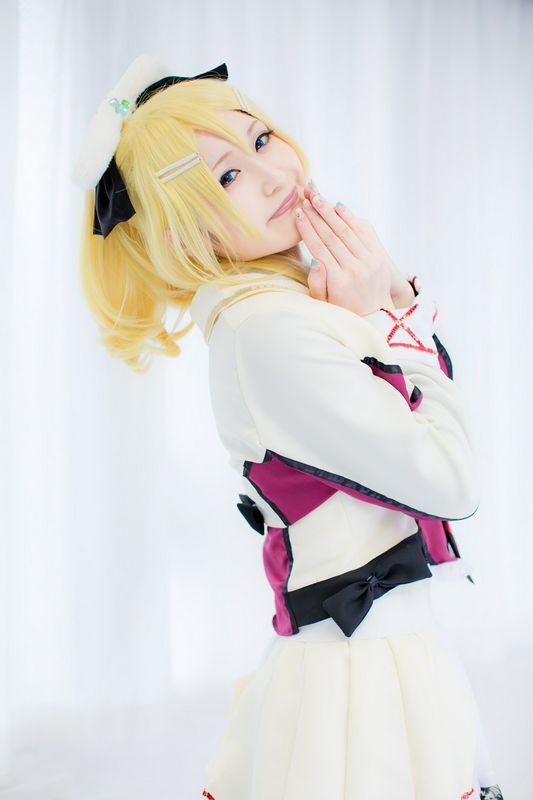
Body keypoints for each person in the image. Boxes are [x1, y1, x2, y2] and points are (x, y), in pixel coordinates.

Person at [72, 53, 504, 800]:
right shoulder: (266, 331)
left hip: (379, 649)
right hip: (360, 671)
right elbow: (450, 480)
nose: (275, 176)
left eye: (262, 139)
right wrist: (389, 312)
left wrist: (384, 305)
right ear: (182, 239)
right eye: (227, 177)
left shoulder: (289, 303)